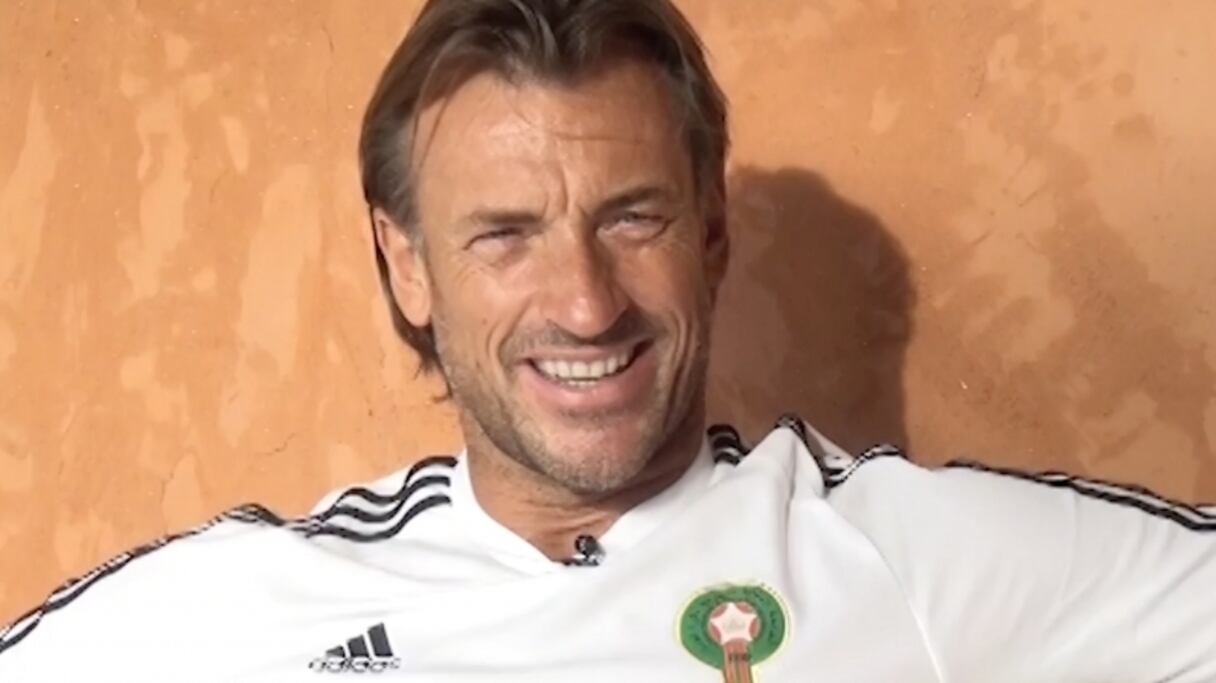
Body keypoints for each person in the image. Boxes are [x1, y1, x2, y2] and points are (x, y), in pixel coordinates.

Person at [2, 0, 1214, 680]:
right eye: (505, 234)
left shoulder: (895, 556)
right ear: (407, 264)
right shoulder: (239, 608)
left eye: (633, 219)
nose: (585, 304)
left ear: (712, 232)